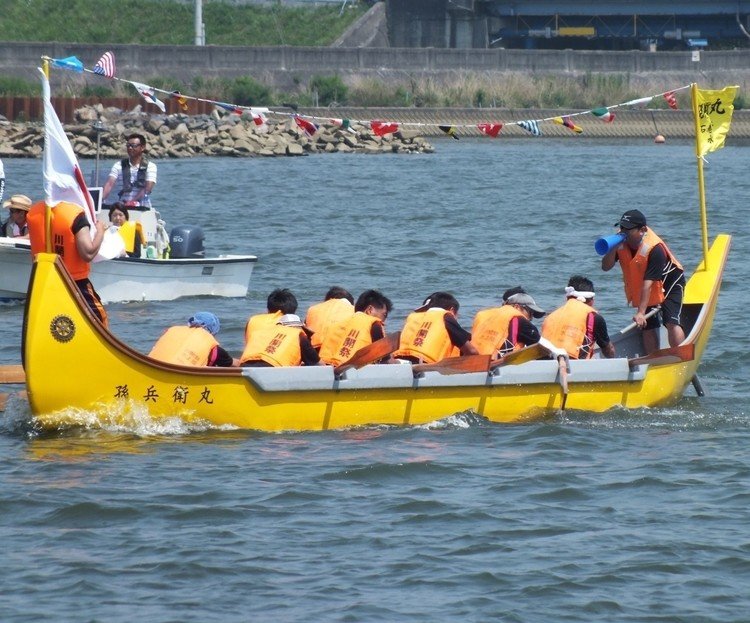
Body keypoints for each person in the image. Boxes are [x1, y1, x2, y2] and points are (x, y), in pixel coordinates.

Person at [601, 209, 685, 353]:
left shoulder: (655, 249)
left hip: (669, 283)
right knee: (647, 326)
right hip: (645, 286)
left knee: (671, 322)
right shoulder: (621, 244)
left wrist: (640, 313)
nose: (623, 232)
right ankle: (654, 360)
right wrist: (612, 249)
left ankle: (680, 356)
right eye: (622, 227)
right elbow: (605, 267)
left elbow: (649, 283)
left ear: (642, 230)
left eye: (628, 229)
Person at [28, 200, 108, 326]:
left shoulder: (33, 212)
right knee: (100, 320)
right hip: (75, 284)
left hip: (43, 284)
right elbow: (88, 253)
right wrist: (101, 232)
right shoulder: (74, 214)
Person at [541, 275, 615, 360]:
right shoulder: (594, 317)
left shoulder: (550, 316)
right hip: (573, 365)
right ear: (591, 300)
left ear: (568, 298)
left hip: (544, 363)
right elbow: (609, 353)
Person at [394, 291, 479, 364]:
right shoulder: (445, 316)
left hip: (398, 360)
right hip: (423, 364)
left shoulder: (413, 317)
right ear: (452, 310)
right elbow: (472, 352)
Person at [319, 289, 393, 366]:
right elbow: (385, 360)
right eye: (384, 315)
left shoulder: (340, 324)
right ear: (370, 310)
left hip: (327, 368)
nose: (384, 320)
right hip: (351, 371)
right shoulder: (374, 324)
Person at [149, 311, 238, 367]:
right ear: (212, 332)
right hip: (178, 378)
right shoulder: (213, 348)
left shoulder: (173, 330)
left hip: (152, 368)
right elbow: (234, 364)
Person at [471, 291, 544, 358]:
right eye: (530, 312)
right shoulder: (520, 320)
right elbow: (542, 351)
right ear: (517, 307)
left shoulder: (483, 314)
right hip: (495, 365)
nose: (531, 318)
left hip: (472, 360)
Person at [240, 313, 320, 367]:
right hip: (272, 373)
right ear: (299, 326)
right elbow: (319, 365)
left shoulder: (261, 333)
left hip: (244, 367)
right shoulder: (298, 335)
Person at [101, 133, 157, 207]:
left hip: (142, 207)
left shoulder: (151, 166)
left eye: (133, 146)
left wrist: (132, 202)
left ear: (142, 147)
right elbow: (109, 184)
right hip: (123, 206)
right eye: (128, 146)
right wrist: (100, 199)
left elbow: (148, 188)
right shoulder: (118, 165)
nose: (130, 148)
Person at [305, 286, 355, 351]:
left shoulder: (313, 309)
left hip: (314, 350)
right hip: (337, 351)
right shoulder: (354, 310)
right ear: (350, 302)